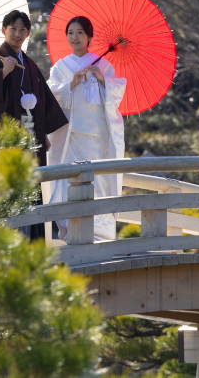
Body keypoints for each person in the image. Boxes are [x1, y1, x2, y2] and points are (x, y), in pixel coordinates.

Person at [0, 9, 68, 239]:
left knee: (32, 186)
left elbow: (42, 99)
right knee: (9, 186)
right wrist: (2, 73)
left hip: (31, 136)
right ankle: (8, 240)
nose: (17, 33)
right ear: (3, 30)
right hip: (6, 137)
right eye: (12, 29)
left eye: (22, 29)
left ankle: (32, 242)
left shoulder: (30, 65)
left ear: (28, 33)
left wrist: (41, 132)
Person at [46, 16, 126, 242]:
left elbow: (116, 96)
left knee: (98, 183)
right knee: (68, 182)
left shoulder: (103, 65)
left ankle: (100, 234)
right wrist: (68, 84)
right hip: (71, 137)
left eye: (80, 32)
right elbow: (50, 97)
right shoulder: (60, 68)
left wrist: (102, 80)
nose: (75, 37)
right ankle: (72, 233)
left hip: (96, 138)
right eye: (71, 32)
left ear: (89, 37)